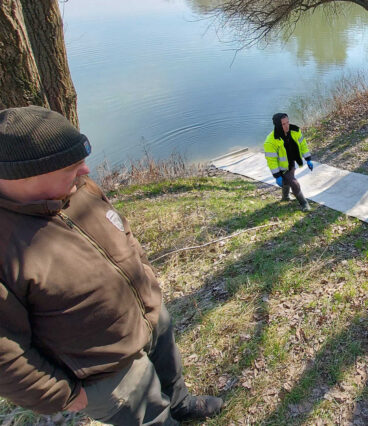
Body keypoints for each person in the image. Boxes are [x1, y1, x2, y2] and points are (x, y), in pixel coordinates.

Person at [0, 106, 223, 424]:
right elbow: (4, 354)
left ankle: (180, 403)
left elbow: (123, 232)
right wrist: (61, 394)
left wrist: (147, 280)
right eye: (72, 167)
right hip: (105, 370)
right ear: (27, 175)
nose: (86, 172)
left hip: (147, 316)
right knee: (151, 419)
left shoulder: (79, 190)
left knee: (170, 378)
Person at [264, 113, 313, 211]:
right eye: (283, 124)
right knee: (294, 183)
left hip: (291, 162)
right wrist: (277, 175)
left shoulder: (295, 131)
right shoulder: (270, 141)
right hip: (281, 167)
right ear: (278, 125)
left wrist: (308, 159)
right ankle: (304, 203)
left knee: (286, 181)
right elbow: (271, 160)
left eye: (288, 122)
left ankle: (285, 197)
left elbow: (303, 145)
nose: (287, 126)